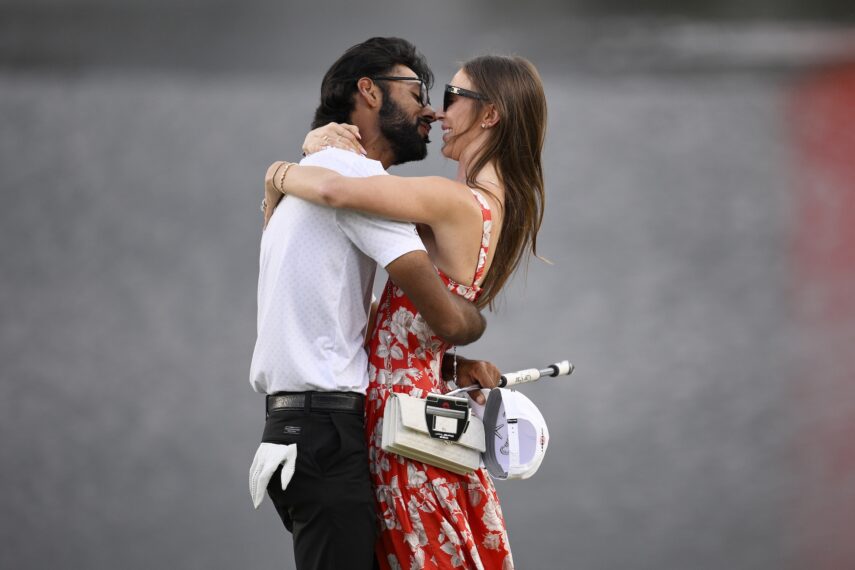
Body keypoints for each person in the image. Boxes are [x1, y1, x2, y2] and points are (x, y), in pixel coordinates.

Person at [266, 54, 547, 570]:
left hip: (398, 419)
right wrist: (455, 366)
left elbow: (333, 189)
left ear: (490, 116)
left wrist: (282, 169)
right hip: (423, 409)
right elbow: (422, 328)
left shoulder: (454, 200)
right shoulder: (492, 204)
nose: (439, 115)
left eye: (452, 98)